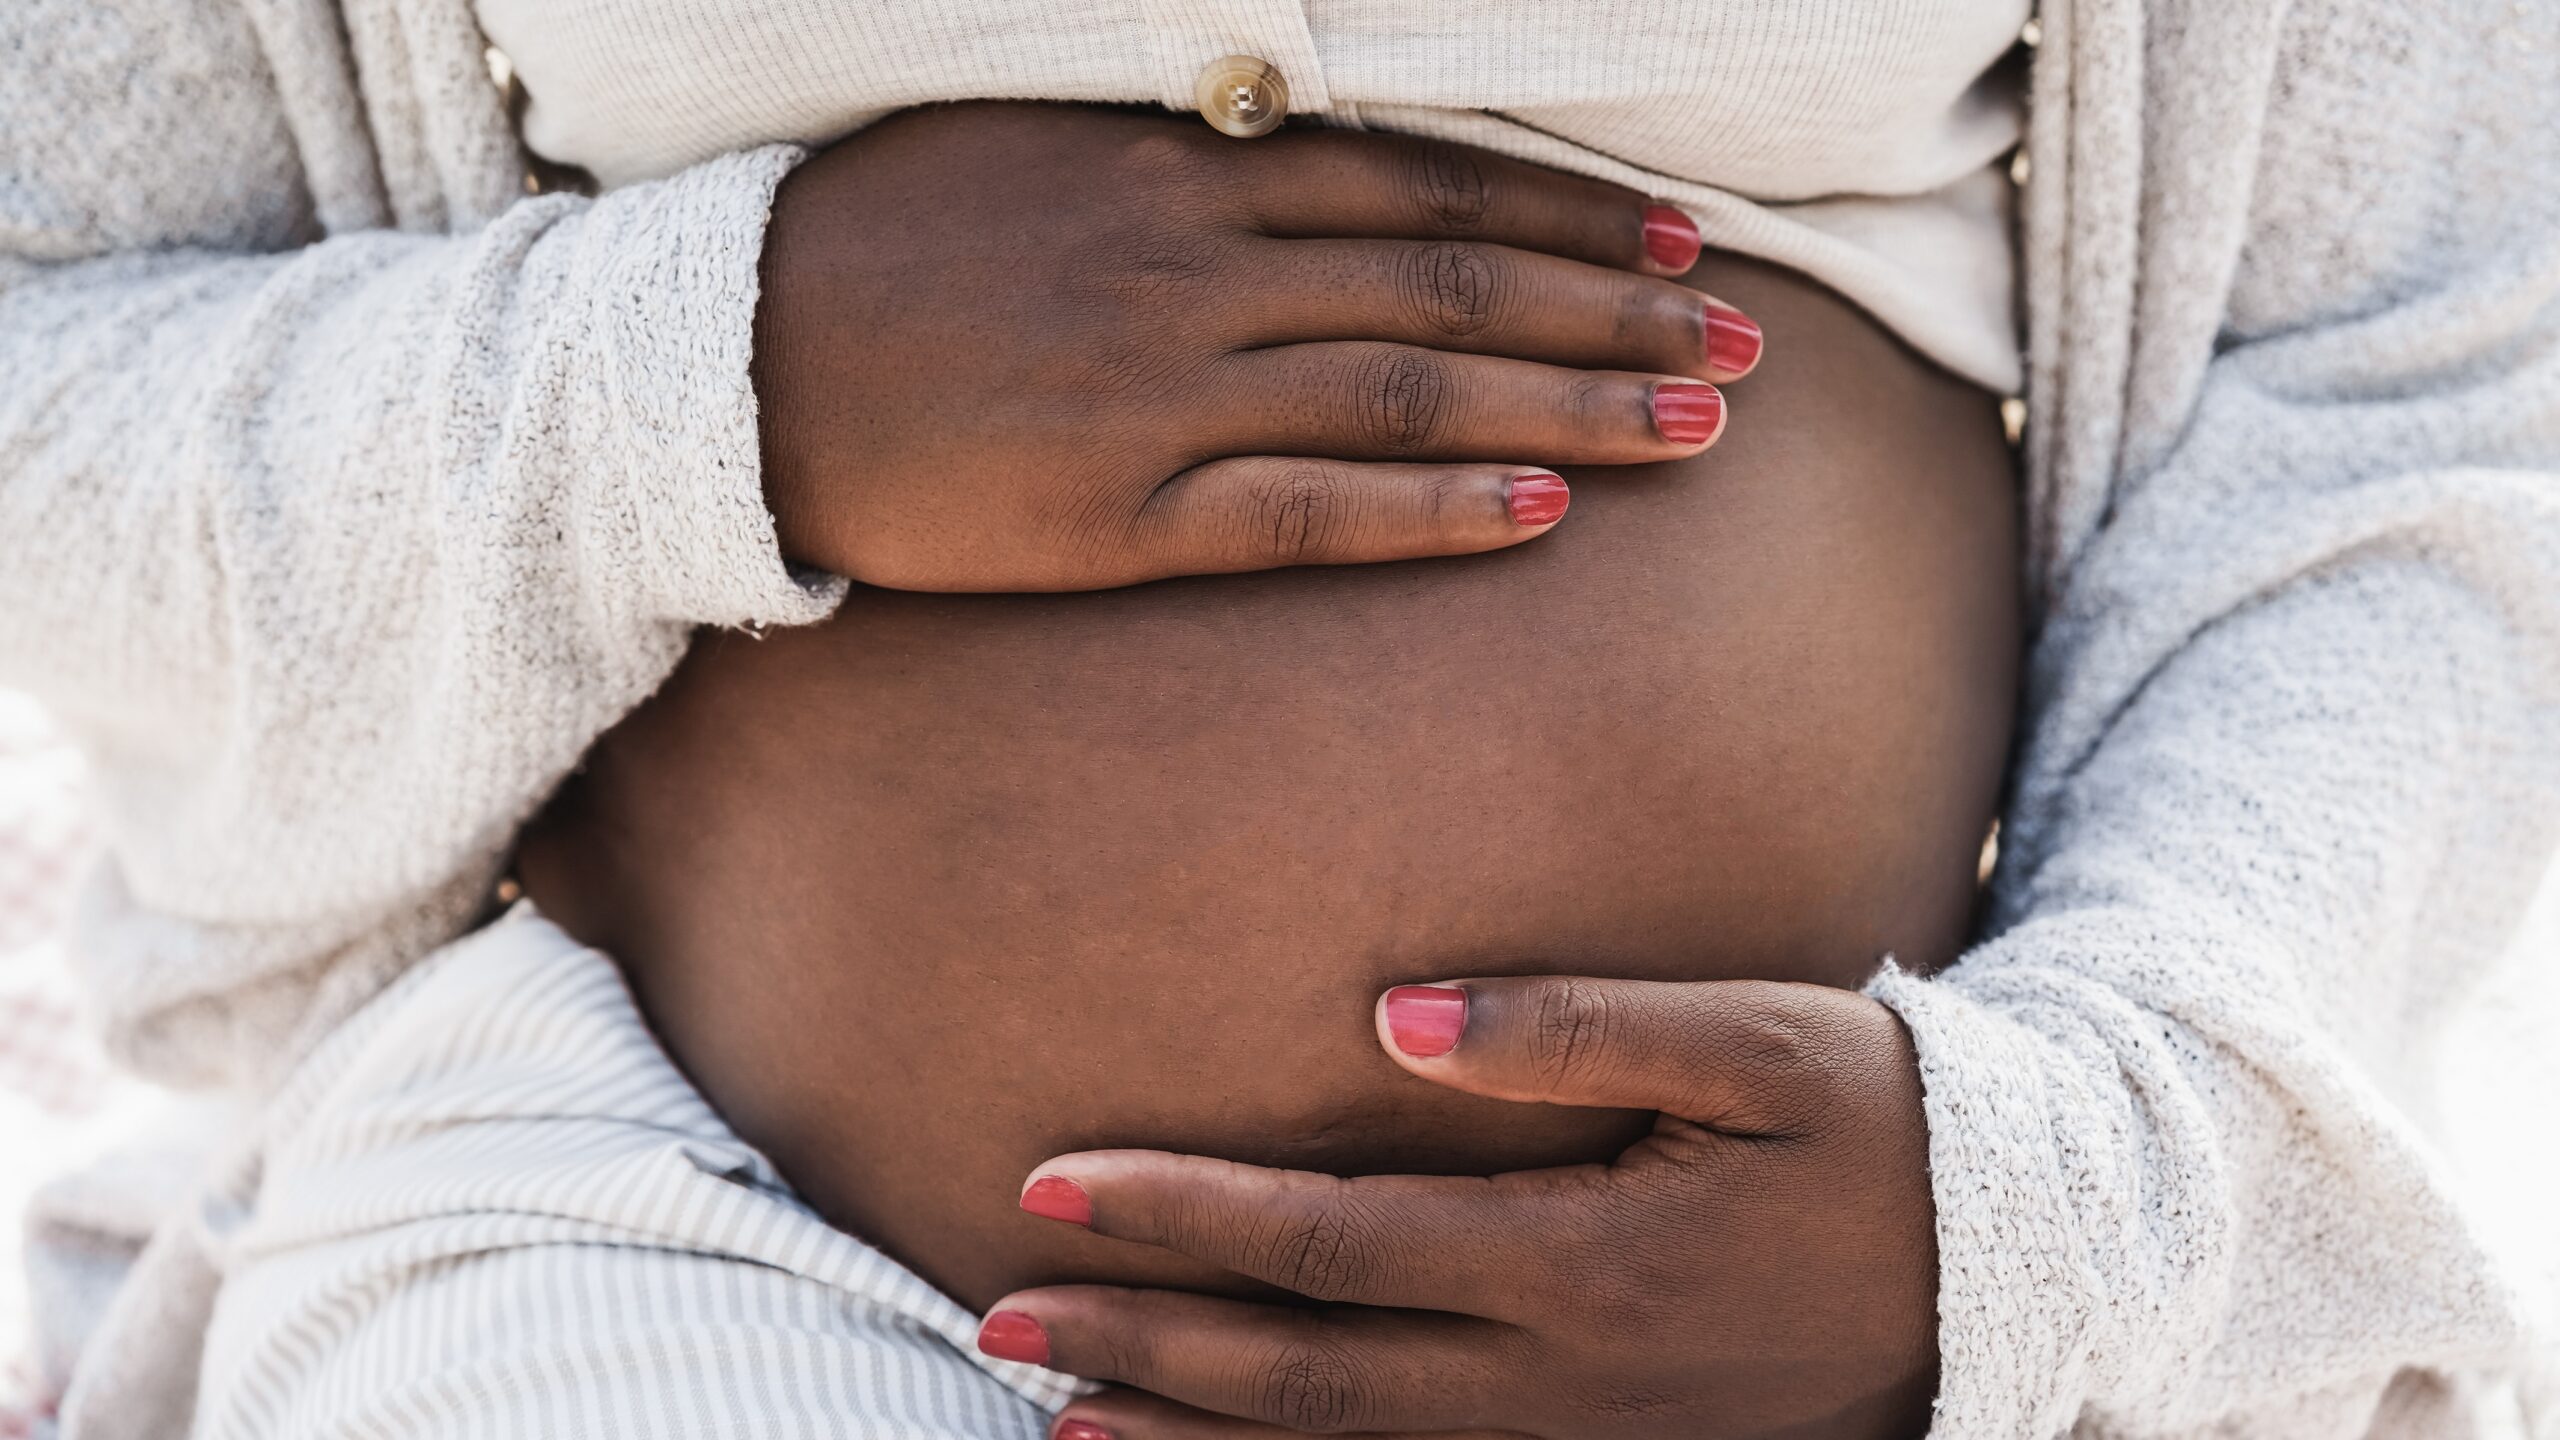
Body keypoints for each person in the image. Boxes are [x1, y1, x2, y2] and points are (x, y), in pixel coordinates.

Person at [1, 4, 2553, 1440]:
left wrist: (2023, 1212)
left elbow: (2407, 373)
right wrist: (696, 375)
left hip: (1831, 1336)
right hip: (655, 1206)